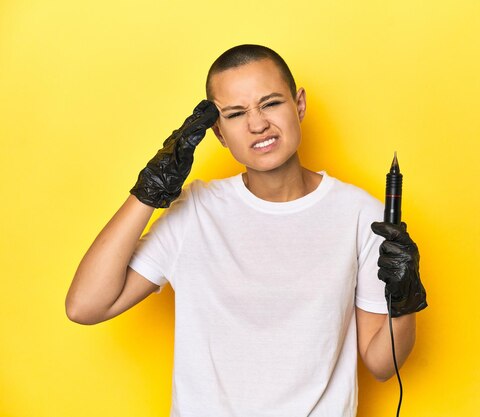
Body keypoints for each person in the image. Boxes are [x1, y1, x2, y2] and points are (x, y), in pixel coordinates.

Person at [66, 44, 427, 417]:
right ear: (219, 134)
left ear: (298, 104)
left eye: (270, 103)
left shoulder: (361, 215)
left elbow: (383, 365)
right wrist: (149, 191)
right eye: (236, 114)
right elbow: (85, 306)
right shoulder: (195, 212)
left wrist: (405, 299)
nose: (257, 125)